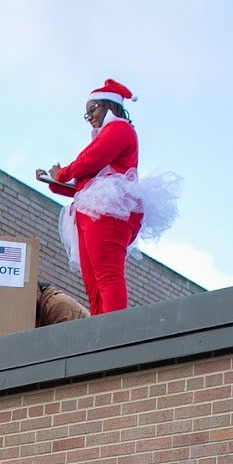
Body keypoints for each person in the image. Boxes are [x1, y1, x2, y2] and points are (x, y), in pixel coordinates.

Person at [38, 78, 179, 317]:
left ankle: (113, 330)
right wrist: (55, 183)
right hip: (94, 209)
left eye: (93, 109)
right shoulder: (110, 134)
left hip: (108, 211)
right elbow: (85, 182)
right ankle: (100, 331)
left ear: (110, 106)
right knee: (93, 282)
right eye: (87, 114)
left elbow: (91, 158)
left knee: (107, 274)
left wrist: (61, 173)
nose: (90, 117)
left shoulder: (120, 129)